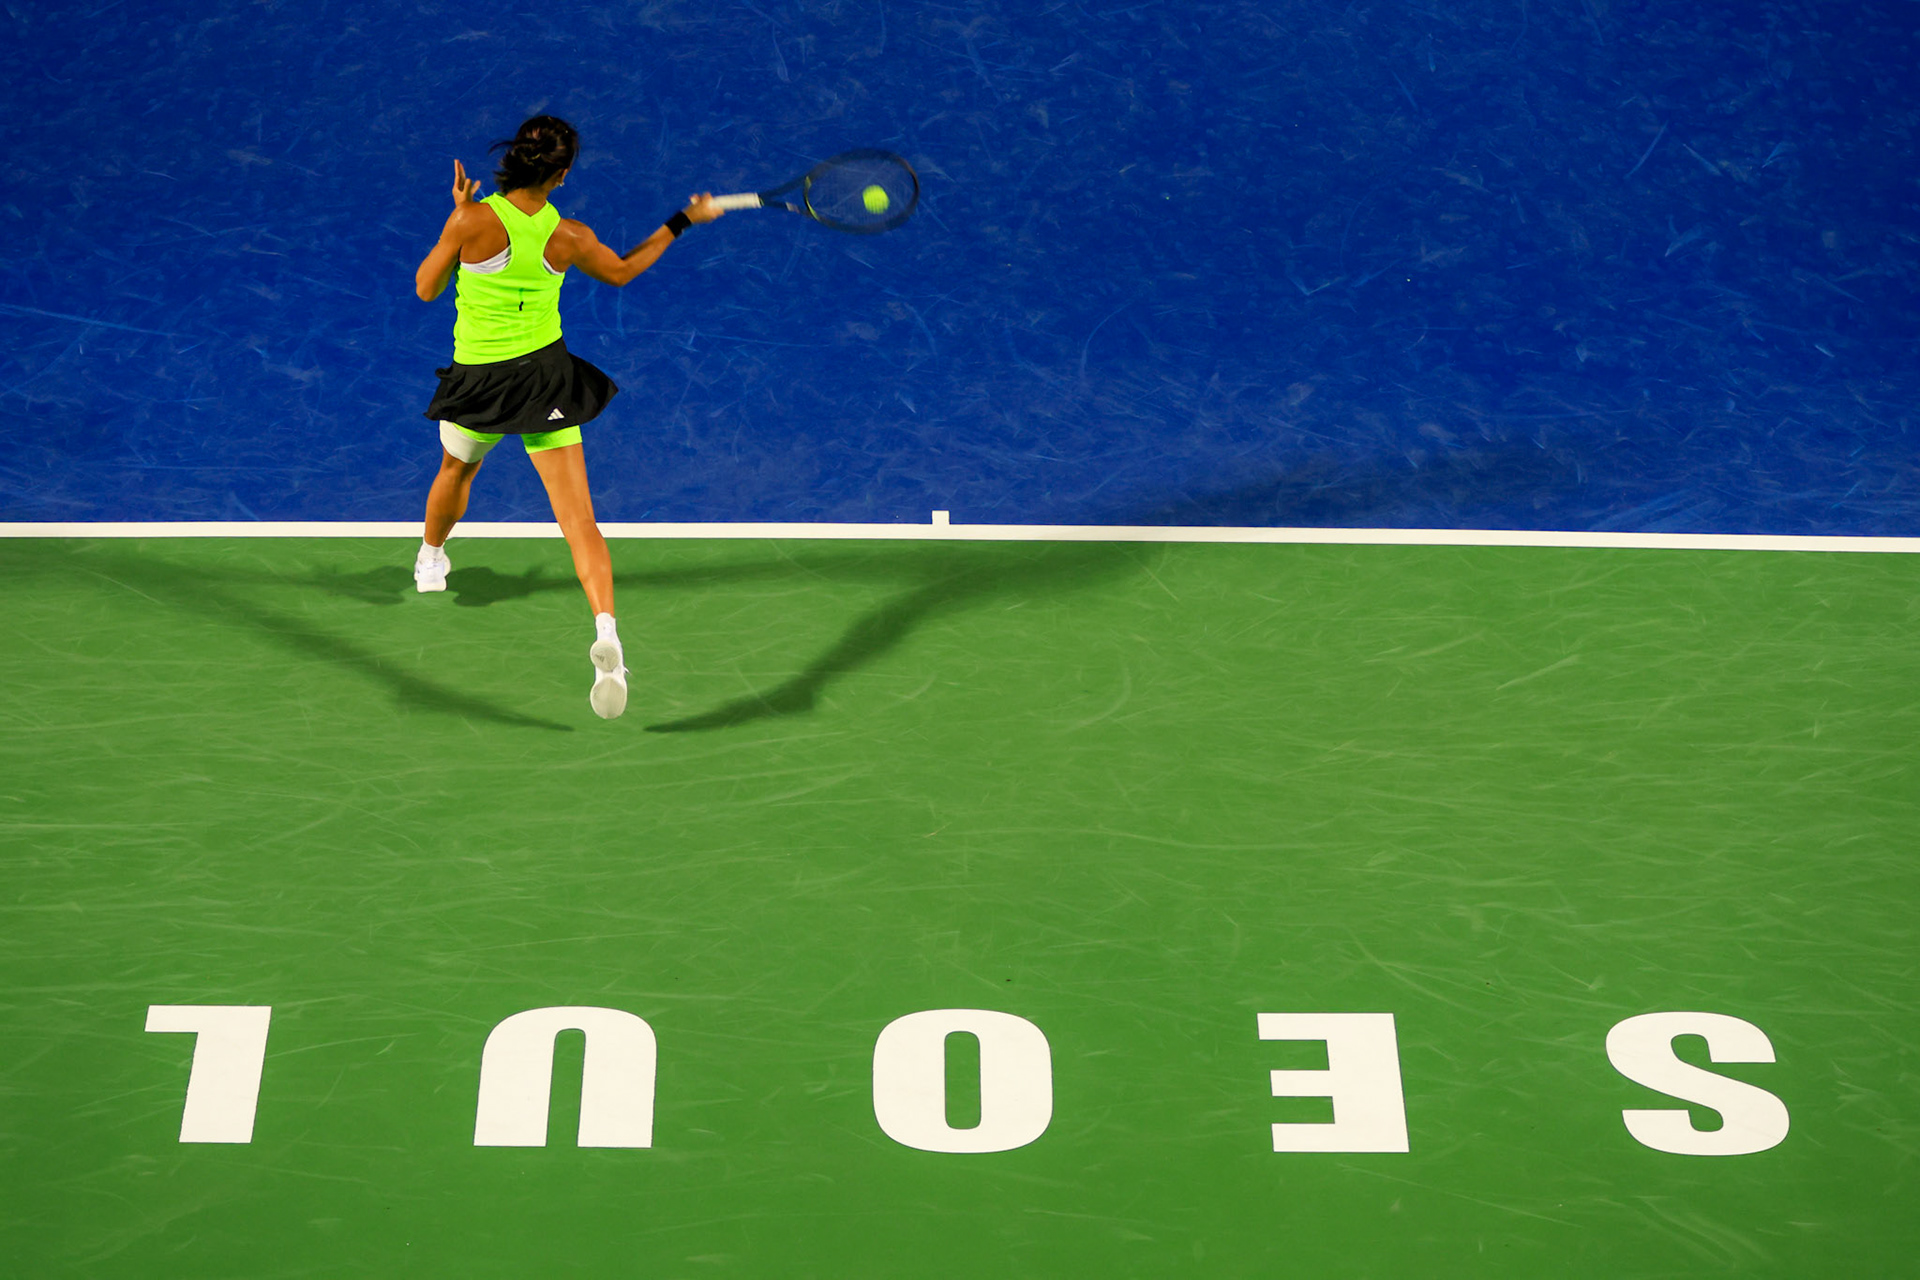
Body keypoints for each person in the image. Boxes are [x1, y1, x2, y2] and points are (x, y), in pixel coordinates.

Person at [410, 116, 723, 719]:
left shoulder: (471, 219)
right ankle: (607, 631)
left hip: (481, 384)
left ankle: (430, 558)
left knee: (456, 470)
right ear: (562, 174)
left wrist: (458, 228)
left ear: (514, 158)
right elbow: (626, 270)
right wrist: (685, 219)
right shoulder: (571, 237)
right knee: (581, 522)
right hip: (547, 380)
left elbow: (426, 289)